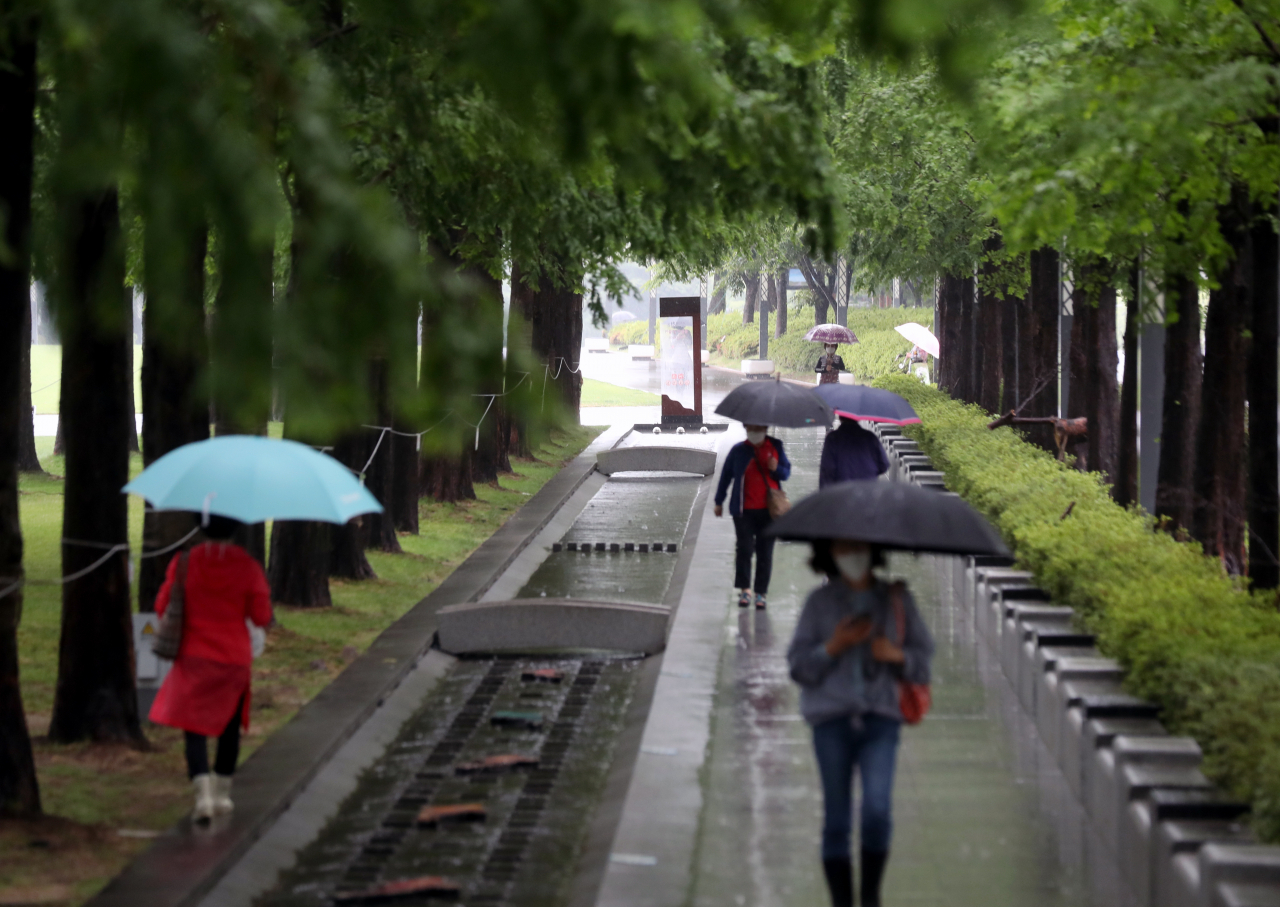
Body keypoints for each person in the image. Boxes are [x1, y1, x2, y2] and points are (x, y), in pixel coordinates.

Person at [787, 539, 935, 907]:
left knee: (877, 810)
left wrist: (895, 654)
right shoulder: (819, 604)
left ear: (872, 551)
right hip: (830, 721)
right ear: (830, 554)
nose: (852, 555)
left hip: (880, 719)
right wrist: (833, 646)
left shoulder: (896, 600)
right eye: (842, 548)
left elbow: (924, 662)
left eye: (859, 547)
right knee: (837, 820)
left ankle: (870, 895)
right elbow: (799, 668)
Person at [149, 515, 272, 822]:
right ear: (235, 528)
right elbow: (261, 615)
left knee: (194, 728)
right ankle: (222, 793)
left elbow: (163, 605)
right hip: (233, 658)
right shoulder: (248, 566)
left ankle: (201, 795)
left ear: (201, 527)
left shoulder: (185, 562)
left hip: (193, 656)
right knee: (230, 727)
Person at [713, 423, 791, 609]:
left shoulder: (775, 446)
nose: (754, 431)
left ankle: (761, 593)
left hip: (769, 511)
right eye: (750, 427)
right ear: (746, 428)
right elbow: (726, 476)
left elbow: (786, 473)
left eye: (758, 427)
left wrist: (775, 468)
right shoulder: (739, 451)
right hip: (743, 511)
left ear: (765, 428)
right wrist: (719, 501)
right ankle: (745, 590)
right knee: (745, 549)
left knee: (765, 552)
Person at [819, 417, 890, 488]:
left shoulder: (832, 439)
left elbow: (827, 471)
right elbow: (883, 465)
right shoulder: (870, 437)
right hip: (868, 491)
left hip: (842, 492)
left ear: (840, 417)